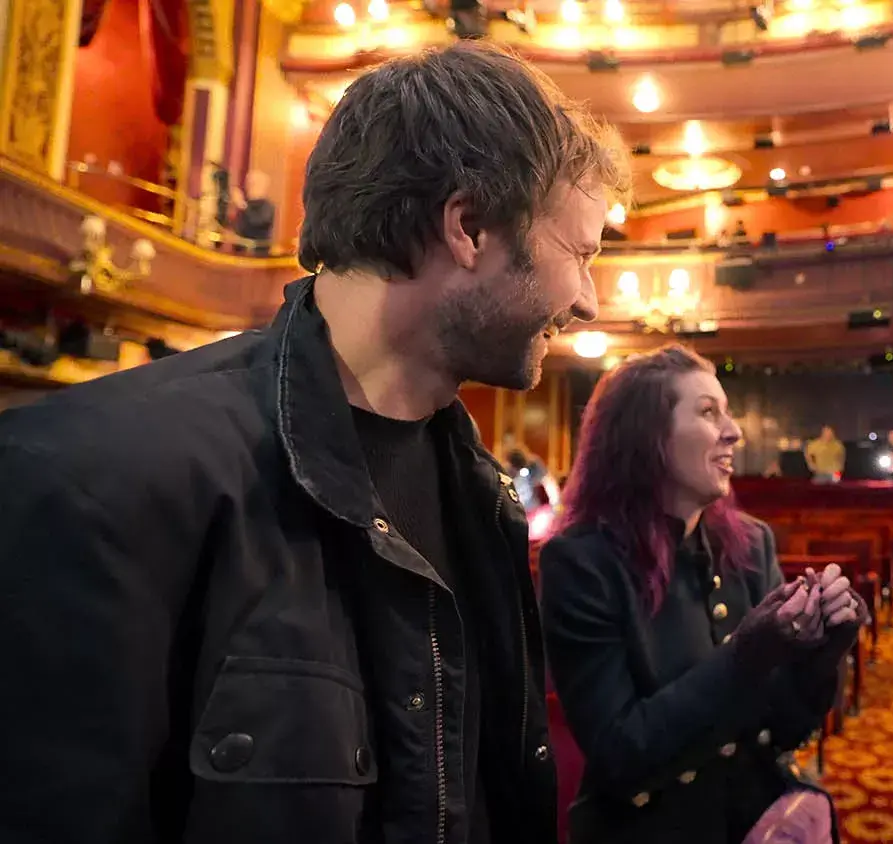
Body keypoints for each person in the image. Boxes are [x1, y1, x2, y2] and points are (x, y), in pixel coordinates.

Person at [0, 41, 628, 844]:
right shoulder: (91, 479)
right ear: (468, 226)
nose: (590, 304)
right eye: (580, 253)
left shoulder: (483, 496)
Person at [540, 345, 867, 844]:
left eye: (728, 412)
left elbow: (782, 729)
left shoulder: (752, 542)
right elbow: (621, 756)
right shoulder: (582, 562)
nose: (734, 431)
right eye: (709, 412)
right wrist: (747, 655)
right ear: (647, 437)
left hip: (755, 813)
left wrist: (823, 654)